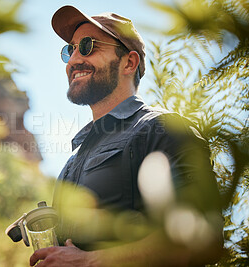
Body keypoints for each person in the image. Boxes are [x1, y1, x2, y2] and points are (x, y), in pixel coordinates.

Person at [30, 5, 224, 267]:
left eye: (87, 46)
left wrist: (90, 262)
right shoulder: (70, 165)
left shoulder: (163, 129)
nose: (74, 60)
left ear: (129, 62)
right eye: (70, 49)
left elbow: (203, 239)